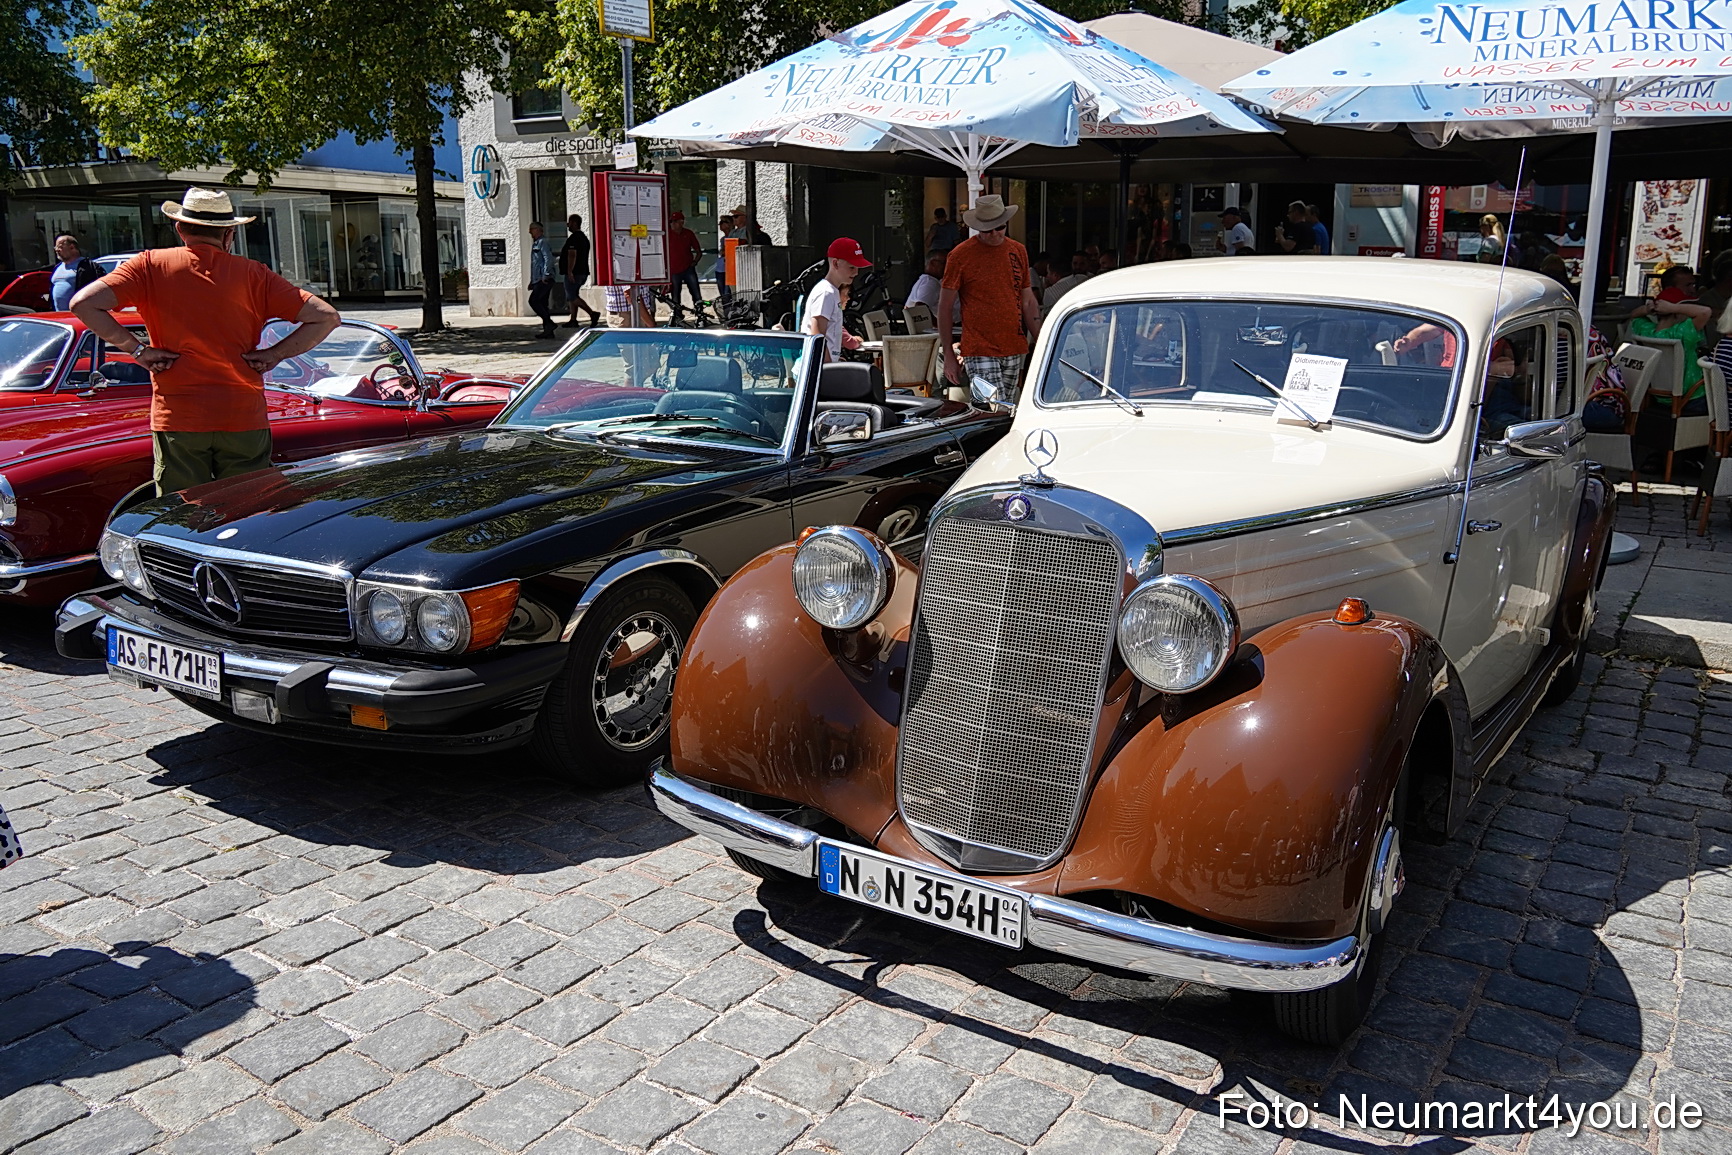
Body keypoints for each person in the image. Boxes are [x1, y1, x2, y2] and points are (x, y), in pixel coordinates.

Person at [69, 187, 340, 495]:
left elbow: (83, 303)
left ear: (180, 228)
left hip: (178, 415)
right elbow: (327, 317)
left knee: (182, 517)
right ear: (229, 234)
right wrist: (274, 354)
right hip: (242, 414)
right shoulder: (254, 274)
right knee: (247, 509)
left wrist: (138, 350)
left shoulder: (148, 265)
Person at [939, 194, 1040, 400]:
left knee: (1006, 412)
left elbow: (1027, 299)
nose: (994, 234)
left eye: (999, 227)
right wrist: (949, 354)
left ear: (1006, 223)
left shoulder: (1018, 250)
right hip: (979, 347)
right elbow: (945, 306)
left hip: (1013, 345)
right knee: (993, 410)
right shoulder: (960, 255)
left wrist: (1041, 340)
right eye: (986, 229)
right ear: (977, 227)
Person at [803, 237, 870, 362]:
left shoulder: (832, 291)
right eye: (851, 267)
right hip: (817, 370)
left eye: (857, 268)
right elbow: (817, 335)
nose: (856, 273)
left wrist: (835, 359)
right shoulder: (826, 293)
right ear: (835, 263)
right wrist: (830, 368)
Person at [560, 214, 601, 328]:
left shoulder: (574, 238)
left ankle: (592, 314)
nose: (568, 225)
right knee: (573, 295)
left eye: (569, 222)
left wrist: (569, 271)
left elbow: (572, 255)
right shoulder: (583, 238)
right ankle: (573, 319)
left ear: (574, 223)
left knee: (572, 296)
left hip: (575, 272)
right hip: (582, 271)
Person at [48, 235, 100, 311]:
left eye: (60, 247)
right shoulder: (57, 268)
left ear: (72, 247)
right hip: (59, 317)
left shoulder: (88, 267)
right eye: (55, 247)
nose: (57, 250)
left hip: (80, 317)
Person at [667, 211, 704, 314]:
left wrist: (695, 262)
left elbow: (698, 250)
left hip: (688, 268)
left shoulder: (688, 233)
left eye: (675, 221)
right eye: (671, 222)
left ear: (682, 222)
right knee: (675, 295)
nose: (672, 224)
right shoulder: (667, 234)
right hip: (674, 269)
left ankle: (700, 314)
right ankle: (677, 316)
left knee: (696, 294)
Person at [527, 221, 556, 338]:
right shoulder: (536, 243)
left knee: (533, 301)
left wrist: (546, 275)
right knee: (543, 304)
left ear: (538, 230)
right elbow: (535, 263)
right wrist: (532, 281)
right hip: (538, 279)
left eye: (532, 229)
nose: (530, 232)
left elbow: (548, 259)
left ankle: (549, 324)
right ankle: (548, 332)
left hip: (544, 278)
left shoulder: (542, 242)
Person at [1041, 251, 1090, 319]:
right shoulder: (1083, 279)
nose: (1047, 276)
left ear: (1055, 275)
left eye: (1048, 273)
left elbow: (1047, 318)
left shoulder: (1049, 293)